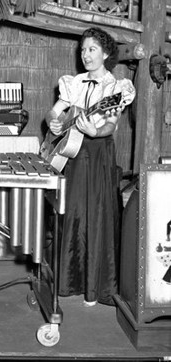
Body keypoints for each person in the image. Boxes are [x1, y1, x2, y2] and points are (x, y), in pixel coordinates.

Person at [44, 27, 136, 307]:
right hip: (71, 154)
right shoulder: (74, 82)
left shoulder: (115, 88)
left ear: (106, 53)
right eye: (83, 49)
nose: (85, 55)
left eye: (92, 49)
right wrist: (53, 122)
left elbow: (110, 124)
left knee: (96, 215)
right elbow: (55, 111)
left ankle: (96, 286)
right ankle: (69, 281)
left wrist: (95, 132)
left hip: (98, 154)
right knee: (71, 212)